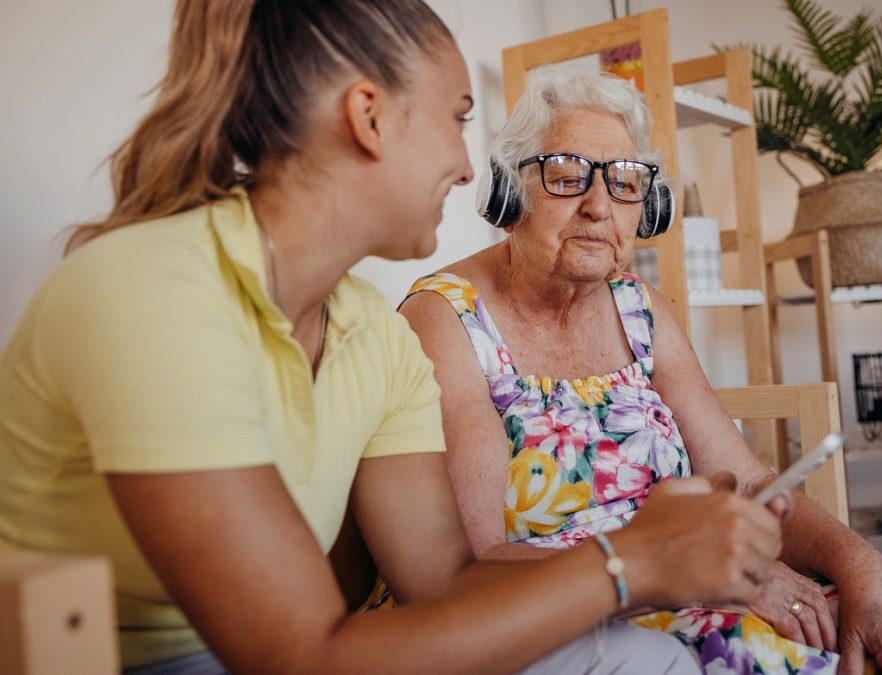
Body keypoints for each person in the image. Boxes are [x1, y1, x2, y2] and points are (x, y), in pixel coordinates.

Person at [0, 2, 791, 673]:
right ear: (369, 116)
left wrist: (650, 560)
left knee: (649, 660)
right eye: (457, 119)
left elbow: (444, 583)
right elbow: (301, 657)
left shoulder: (376, 337)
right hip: (105, 657)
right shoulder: (153, 292)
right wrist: (633, 562)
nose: (466, 167)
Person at [398, 67, 882, 675]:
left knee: (853, 637)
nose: (599, 207)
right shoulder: (448, 319)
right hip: (546, 623)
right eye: (567, 177)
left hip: (693, 590)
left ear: (648, 208)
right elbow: (470, 566)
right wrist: (685, 575)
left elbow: (748, 483)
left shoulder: (638, 308)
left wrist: (866, 569)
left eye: (625, 183)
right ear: (508, 195)